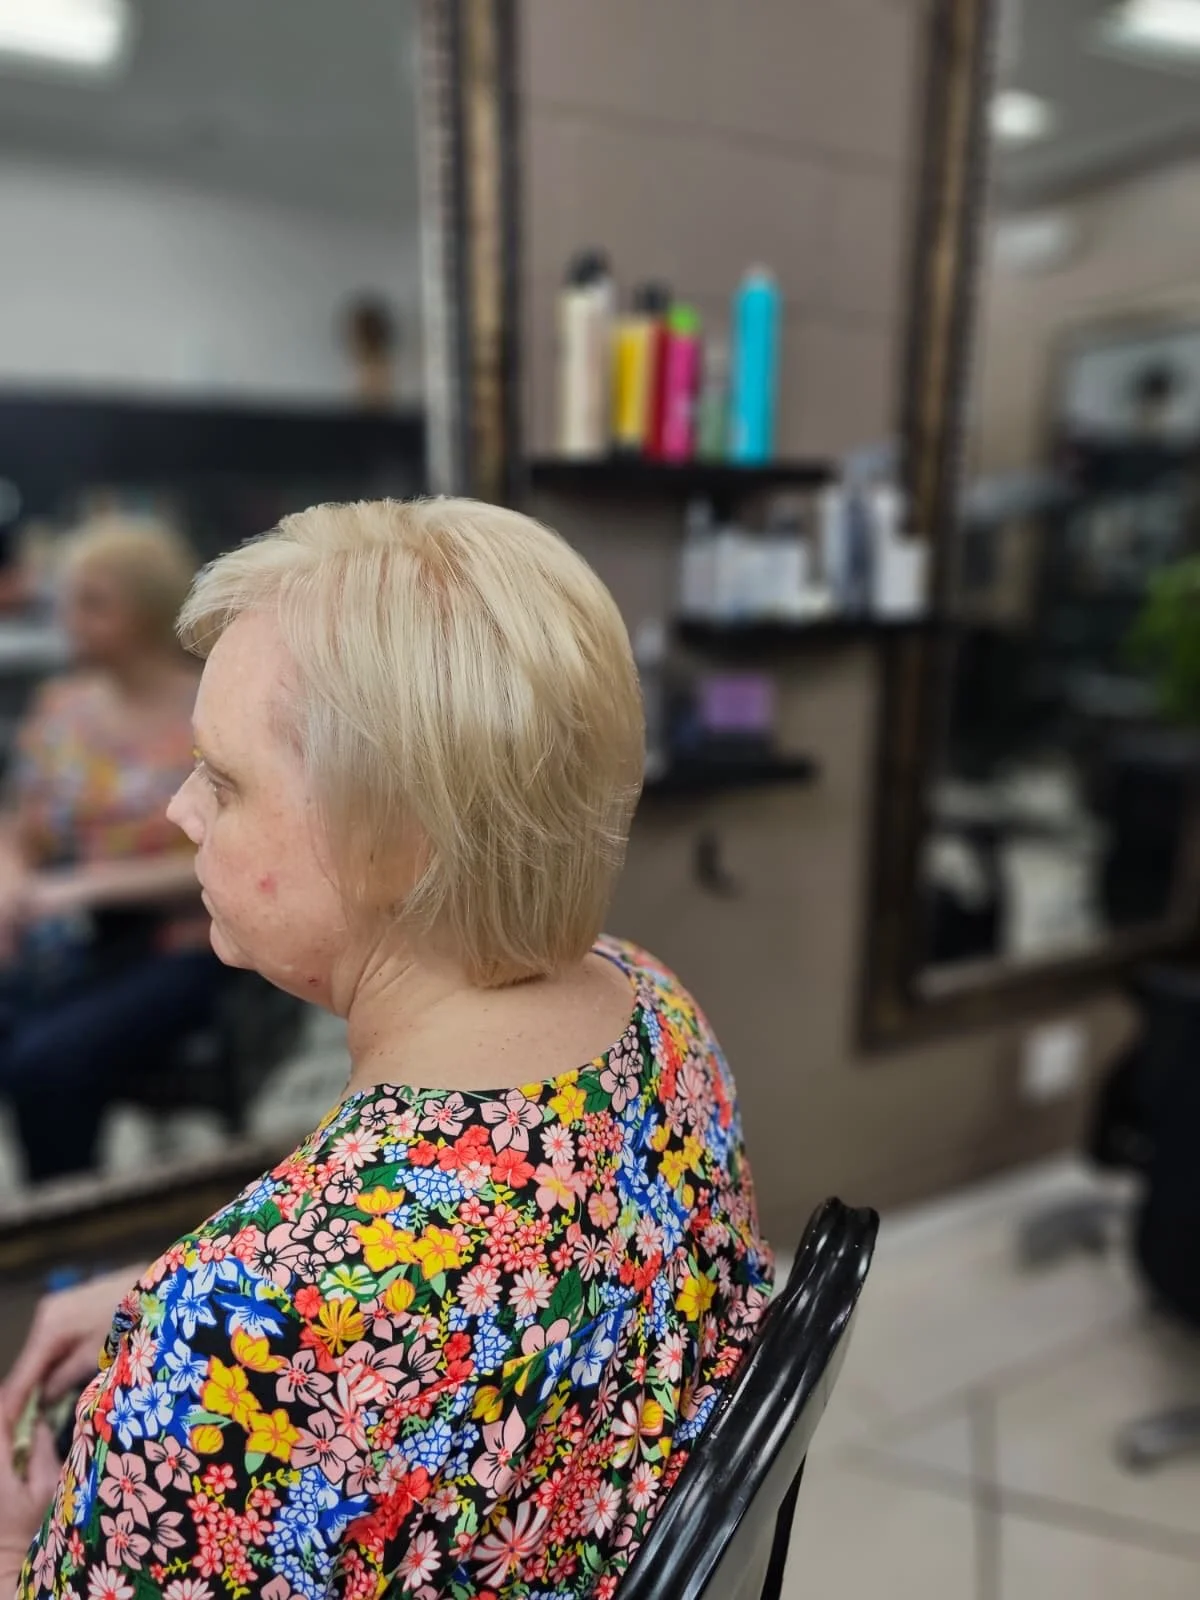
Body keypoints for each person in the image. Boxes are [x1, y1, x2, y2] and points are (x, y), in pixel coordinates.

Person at [0, 498, 773, 1598]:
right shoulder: (653, 1007)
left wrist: (11, 1541)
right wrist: (161, 1296)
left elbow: (339, 1313)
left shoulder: (243, 1337)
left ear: (402, 842)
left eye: (221, 780)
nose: (178, 810)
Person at [0, 515, 222, 1181]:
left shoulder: (211, 712)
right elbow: (23, 824)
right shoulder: (62, 708)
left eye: (94, 602)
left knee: (47, 1062)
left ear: (148, 609)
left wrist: (87, 886)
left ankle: (67, 1229)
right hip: (62, 937)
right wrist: (11, 883)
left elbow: (222, 852)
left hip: (181, 941)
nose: (70, 619)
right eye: (70, 599)